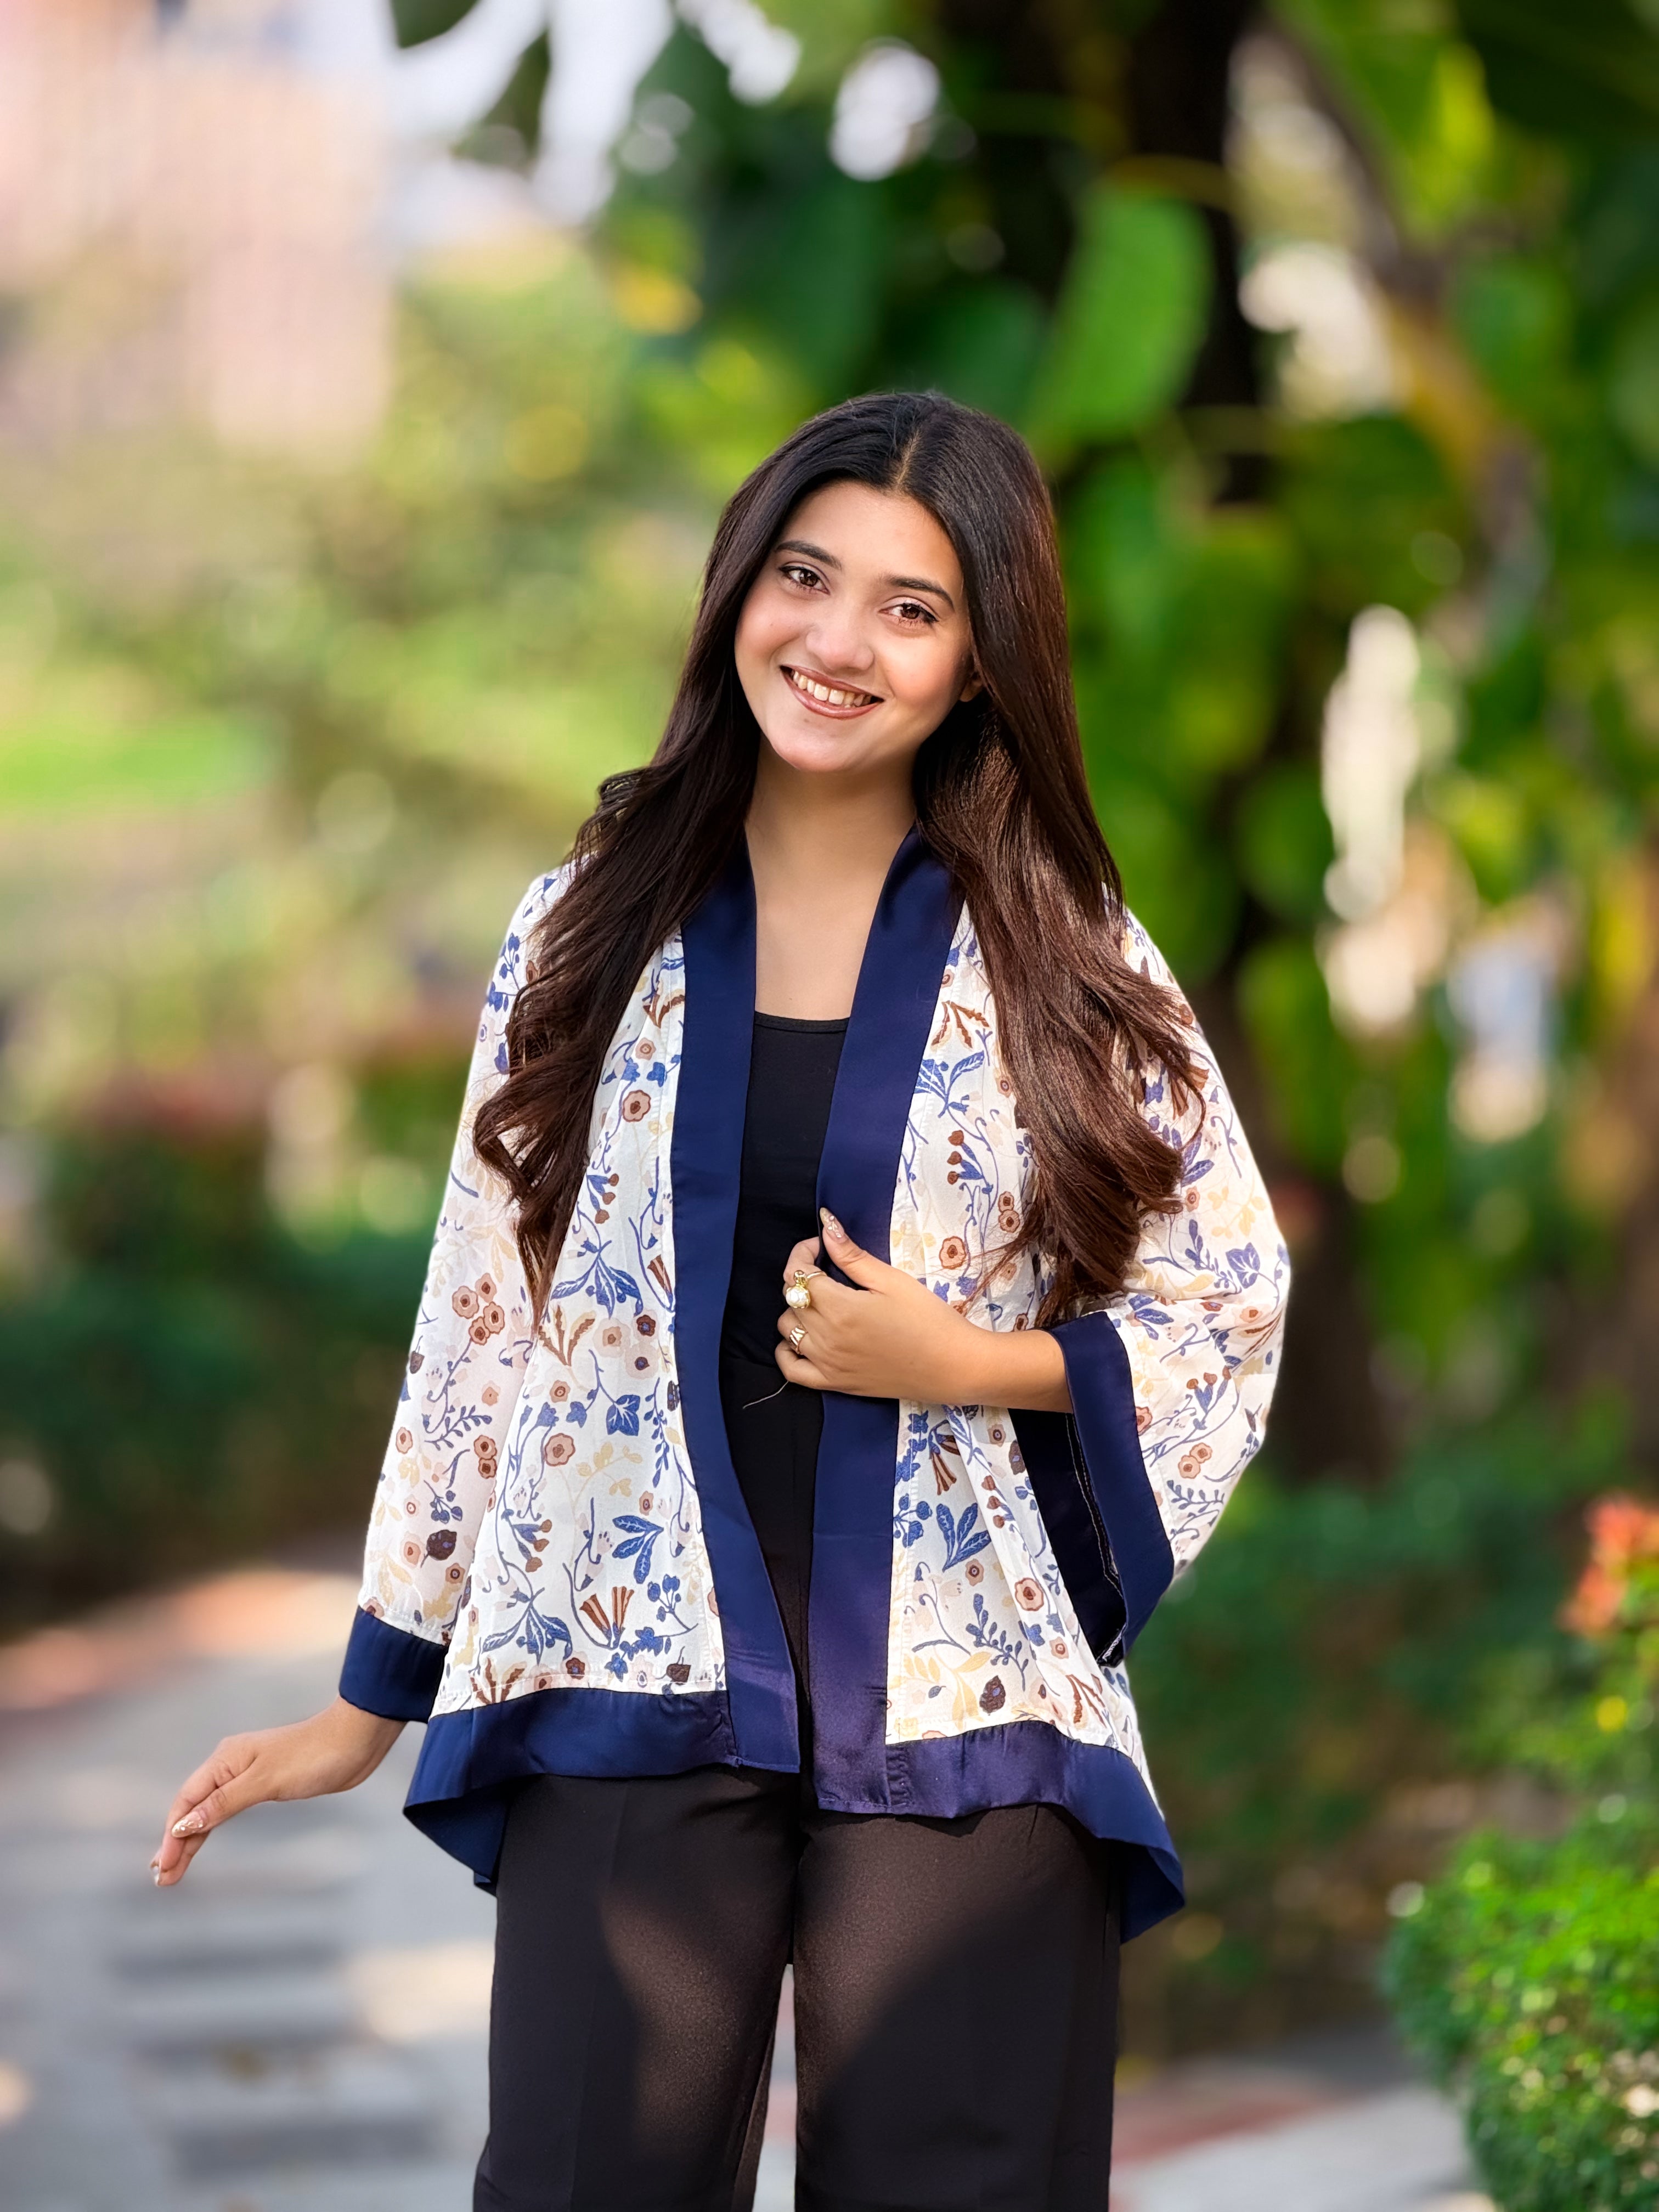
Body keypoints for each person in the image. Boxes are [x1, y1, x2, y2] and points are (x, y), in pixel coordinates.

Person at [153, 391, 1289, 2211]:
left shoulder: (1070, 955)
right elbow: (481, 1317)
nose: (838, 641)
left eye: (913, 608)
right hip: (624, 1667)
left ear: (986, 660)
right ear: (735, 592)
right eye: (804, 576)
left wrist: (966, 1360)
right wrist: (372, 1699)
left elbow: (1226, 1298)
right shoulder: (583, 929)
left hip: (964, 1702)